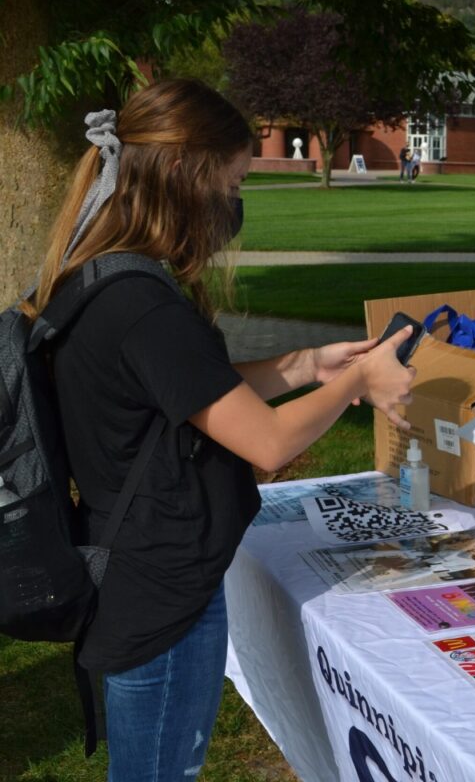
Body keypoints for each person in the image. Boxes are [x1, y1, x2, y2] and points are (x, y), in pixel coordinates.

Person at [25, 79, 417, 778]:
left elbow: (192, 391)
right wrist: (362, 380)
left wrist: (311, 364)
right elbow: (267, 442)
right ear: (185, 171)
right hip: (160, 590)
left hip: (132, 573)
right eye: (233, 181)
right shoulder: (144, 304)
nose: (234, 204)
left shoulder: (101, 278)